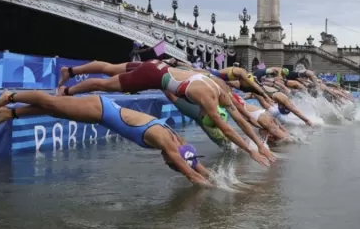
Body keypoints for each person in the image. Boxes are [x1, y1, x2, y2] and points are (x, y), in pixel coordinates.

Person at [57, 60, 275, 166]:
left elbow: (239, 118)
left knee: (109, 68)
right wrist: (251, 151)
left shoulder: (217, 86)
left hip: (157, 65)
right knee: (106, 85)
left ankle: (71, 71)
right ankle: (67, 91)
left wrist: (260, 145)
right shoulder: (209, 100)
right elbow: (227, 128)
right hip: (151, 76)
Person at [0, 90, 213, 187]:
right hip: (100, 109)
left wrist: (220, 178)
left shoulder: (178, 140)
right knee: (52, 103)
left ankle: (11, 113)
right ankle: (10, 97)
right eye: (170, 164)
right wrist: (225, 192)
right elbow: (191, 174)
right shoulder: (166, 142)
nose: (166, 163)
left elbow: (195, 164)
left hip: (102, 113)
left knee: (55, 110)